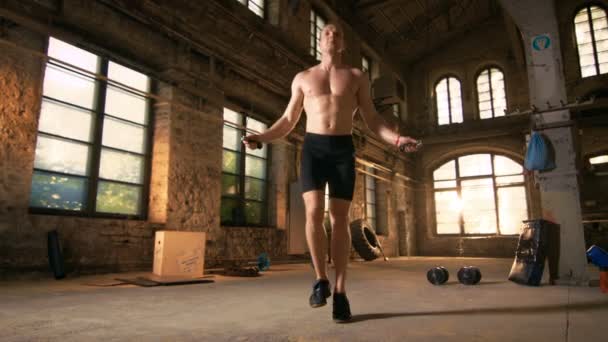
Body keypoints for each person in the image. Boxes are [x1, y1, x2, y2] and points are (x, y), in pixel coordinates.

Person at [242, 22, 419, 323]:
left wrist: (397, 140)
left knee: (339, 220)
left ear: (343, 44)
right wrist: (261, 137)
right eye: (326, 32)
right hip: (313, 149)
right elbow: (288, 119)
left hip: (342, 150)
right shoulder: (303, 78)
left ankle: (340, 292)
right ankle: (320, 279)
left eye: (337, 34)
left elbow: (373, 119)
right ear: (319, 40)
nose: (332, 36)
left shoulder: (356, 77)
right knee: (312, 213)